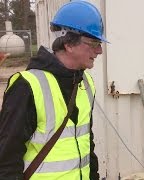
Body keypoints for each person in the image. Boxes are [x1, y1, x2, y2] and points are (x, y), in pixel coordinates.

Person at [0, 1, 107, 179]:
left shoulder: (86, 83)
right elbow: (7, 160)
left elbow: (86, 141)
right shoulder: (27, 86)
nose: (100, 50)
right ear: (69, 44)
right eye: (94, 42)